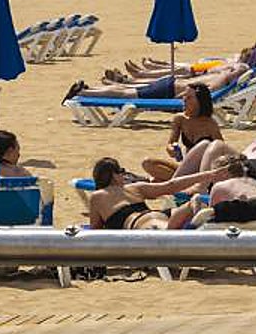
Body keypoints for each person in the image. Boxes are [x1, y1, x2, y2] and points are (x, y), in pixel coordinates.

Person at [87, 157, 224, 230]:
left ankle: (190, 213)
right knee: (175, 214)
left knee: (161, 230)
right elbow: (171, 186)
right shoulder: (135, 188)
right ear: (114, 175)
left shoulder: (97, 197)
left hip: (141, 223)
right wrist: (207, 175)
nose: (124, 175)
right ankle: (191, 206)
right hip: (161, 214)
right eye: (121, 171)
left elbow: (95, 229)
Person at [141, 84, 224, 181]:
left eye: (189, 97)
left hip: (203, 171)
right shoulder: (180, 119)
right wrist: (172, 150)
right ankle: (180, 182)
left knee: (156, 180)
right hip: (185, 167)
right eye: (184, 96)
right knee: (147, 163)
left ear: (200, 101)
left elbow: (221, 150)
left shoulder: (210, 124)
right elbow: (170, 143)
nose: (184, 100)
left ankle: (175, 182)